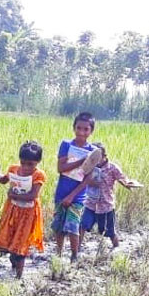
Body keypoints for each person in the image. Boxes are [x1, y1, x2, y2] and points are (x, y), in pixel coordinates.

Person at [0, 141, 46, 278]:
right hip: (13, 210)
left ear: (37, 162)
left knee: (21, 245)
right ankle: (13, 262)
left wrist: (14, 195)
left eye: (30, 164)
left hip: (28, 214)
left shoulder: (38, 176)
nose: (26, 167)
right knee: (9, 240)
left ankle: (18, 277)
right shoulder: (14, 169)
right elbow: (4, 180)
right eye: (23, 163)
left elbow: (33, 196)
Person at [52, 112, 95, 262]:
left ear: (91, 131)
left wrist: (72, 196)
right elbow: (61, 168)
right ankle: (58, 253)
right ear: (74, 128)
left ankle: (74, 254)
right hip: (61, 192)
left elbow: (87, 178)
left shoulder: (93, 151)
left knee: (73, 225)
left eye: (86, 129)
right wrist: (81, 161)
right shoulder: (66, 145)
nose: (82, 132)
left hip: (78, 195)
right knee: (58, 225)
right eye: (79, 128)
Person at [78, 142, 134, 249]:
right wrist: (90, 182)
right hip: (91, 203)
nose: (95, 160)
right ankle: (77, 249)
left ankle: (116, 247)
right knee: (83, 225)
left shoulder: (112, 167)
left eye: (98, 157)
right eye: (93, 156)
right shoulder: (88, 167)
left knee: (109, 231)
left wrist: (127, 184)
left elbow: (121, 178)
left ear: (104, 156)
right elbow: (81, 178)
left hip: (106, 205)